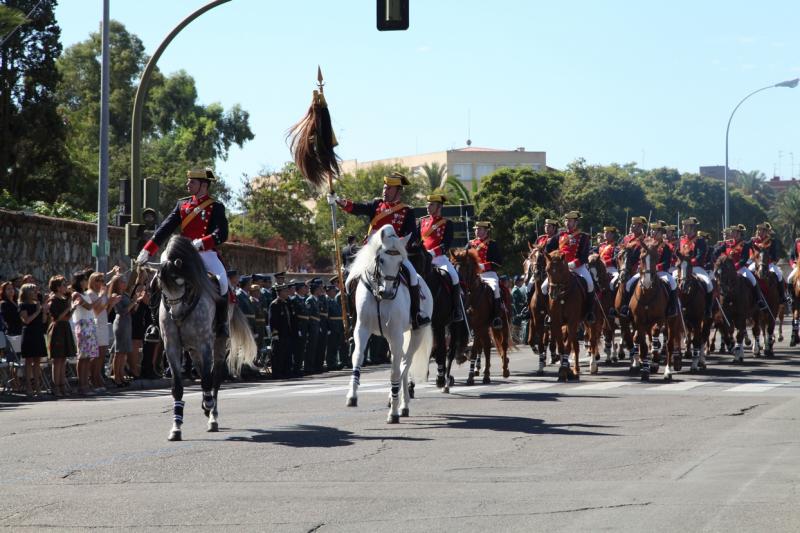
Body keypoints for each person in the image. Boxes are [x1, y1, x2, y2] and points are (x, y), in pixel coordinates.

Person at [136, 167, 230, 341]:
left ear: (203, 185)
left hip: (204, 252)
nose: (187, 184)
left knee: (222, 282)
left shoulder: (216, 207)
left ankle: (221, 323)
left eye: (192, 182)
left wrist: (203, 242)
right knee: (158, 278)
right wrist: (147, 250)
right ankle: (155, 323)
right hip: (182, 251)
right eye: (188, 181)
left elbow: (222, 233)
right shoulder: (182, 204)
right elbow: (165, 229)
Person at [329, 172, 430, 329]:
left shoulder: (407, 211)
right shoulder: (377, 205)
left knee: (413, 276)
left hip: (393, 254)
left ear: (398, 191)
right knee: (349, 279)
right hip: (371, 252)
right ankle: (353, 315)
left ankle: (416, 314)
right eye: (384, 187)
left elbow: (411, 235)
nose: (385, 190)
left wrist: (400, 247)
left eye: (389, 188)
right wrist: (338, 201)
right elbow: (357, 208)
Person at [416, 192, 464, 321]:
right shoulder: (421, 221)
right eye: (428, 204)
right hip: (421, 258)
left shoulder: (447, 223)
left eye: (431, 204)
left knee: (454, 277)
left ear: (439, 207)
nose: (428, 206)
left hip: (439, 258)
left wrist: (432, 253)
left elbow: (446, 245)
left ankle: (456, 309)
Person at [542, 211, 596, 324]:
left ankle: (589, 312)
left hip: (577, 266)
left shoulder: (583, 236)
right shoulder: (560, 236)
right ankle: (549, 313)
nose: (567, 223)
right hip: (560, 268)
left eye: (570, 221)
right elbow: (548, 249)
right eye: (566, 220)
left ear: (576, 222)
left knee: (590, 284)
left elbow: (584, 256)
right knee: (543, 287)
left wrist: (572, 264)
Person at [467, 221, 504, 329]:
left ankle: (497, 317)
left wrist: (483, 266)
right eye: (476, 229)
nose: (477, 231)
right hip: (473, 275)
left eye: (480, 229)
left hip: (488, 274)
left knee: (495, 288)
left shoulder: (492, 244)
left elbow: (498, 262)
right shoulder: (470, 244)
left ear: (486, 231)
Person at [46, 275, 77, 397]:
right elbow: (57, 317)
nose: (66, 287)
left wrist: (72, 309)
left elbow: (67, 317)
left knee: (63, 359)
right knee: (57, 359)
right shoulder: (53, 300)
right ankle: (56, 386)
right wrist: (68, 308)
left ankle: (62, 385)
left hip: (65, 327)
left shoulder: (64, 299)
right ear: (57, 288)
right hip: (57, 329)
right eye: (63, 285)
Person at [678, 217, 715, 317]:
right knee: (672, 283)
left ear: (692, 227)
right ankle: (672, 307)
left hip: (696, 267)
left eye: (686, 226)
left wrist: (689, 262)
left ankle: (708, 309)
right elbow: (677, 254)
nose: (683, 228)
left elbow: (700, 256)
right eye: (683, 226)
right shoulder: (681, 240)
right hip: (682, 268)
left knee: (709, 284)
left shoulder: (700, 240)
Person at [749, 222, 792, 305]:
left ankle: (783, 296)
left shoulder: (771, 241)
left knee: (779, 275)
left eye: (762, 230)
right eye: (759, 230)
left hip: (769, 263)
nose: (760, 232)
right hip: (756, 263)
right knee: (749, 272)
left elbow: (775, 254)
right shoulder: (754, 241)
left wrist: (771, 260)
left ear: (766, 232)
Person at [18, 282, 48, 397]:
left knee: (37, 362)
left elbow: (44, 321)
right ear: (26, 292)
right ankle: (29, 387)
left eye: (36, 290)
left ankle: (38, 386)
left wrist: (44, 311)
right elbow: (26, 320)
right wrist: (38, 311)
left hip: (38, 333)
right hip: (29, 334)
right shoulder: (23, 305)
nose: (36, 292)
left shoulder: (37, 304)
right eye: (33, 290)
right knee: (29, 361)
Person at [110, 274, 138, 388]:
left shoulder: (125, 294)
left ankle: (121, 375)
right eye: (122, 281)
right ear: (117, 283)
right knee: (119, 351)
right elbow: (121, 311)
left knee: (124, 351)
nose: (125, 283)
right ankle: (116, 376)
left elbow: (131, 310)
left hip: (127, 322)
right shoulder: (116, 295)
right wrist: (133, 302)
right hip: (120, 322)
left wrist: (136, 303)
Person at [87, 271, 111, 392]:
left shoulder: (100, 293)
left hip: (103, 324)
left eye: (102, 280)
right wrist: (103, 295)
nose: (101, 282)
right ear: (92, 281)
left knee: (102, 354)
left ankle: (97, 376)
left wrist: (110, 301)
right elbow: (96, 311)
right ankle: (93, 378)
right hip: (95, 325)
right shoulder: (91, 294)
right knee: (95, 355)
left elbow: (106, 309)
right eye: (98, 280)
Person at [268, 283, 293, 378]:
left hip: (287, 333)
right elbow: (272, 321)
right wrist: (275, 334)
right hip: (279, 334)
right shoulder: (275, 304)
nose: (287, 293)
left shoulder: (285, 303)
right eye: (285, 291)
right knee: (278, 354)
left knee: (287, 353)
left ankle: (286, 372)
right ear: (280, 292)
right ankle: (277, 373)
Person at [325, 280, 346, 370]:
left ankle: (334, 362)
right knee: (331, 346)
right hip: (332, 326)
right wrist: (328, 328)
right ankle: (330, 363)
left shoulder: (334, 301)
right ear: (328, 292)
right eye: (333, 291)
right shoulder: (327, 301)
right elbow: (327, 316)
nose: (334, 292)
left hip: (338, 326)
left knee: (336, 346)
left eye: (335, 291)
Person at [290, 280, 309, 375]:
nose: (306, 289)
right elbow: (294, 317)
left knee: (302, 349)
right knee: (297, 350)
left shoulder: (304, 299)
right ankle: (296, 369)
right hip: (299, 328)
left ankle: (299, 367)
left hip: (305, 328)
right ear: (300, 289)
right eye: (304, 287)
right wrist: (298, 329)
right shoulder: (294, 300)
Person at [304, 280, 323, 374]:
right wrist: (308, 329)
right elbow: (308, 316)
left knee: (316, 347)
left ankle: (315, 366)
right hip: (311, 327)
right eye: (319, 289)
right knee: (310, 348)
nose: (321, 290)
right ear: (315, 290)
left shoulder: (316, 300)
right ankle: (308, 367)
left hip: (316, 326)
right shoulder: (309, 300)